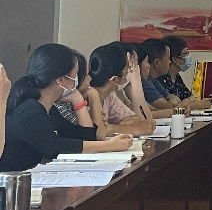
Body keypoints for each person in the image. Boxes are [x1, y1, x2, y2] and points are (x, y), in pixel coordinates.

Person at [0, 44, 133, 172]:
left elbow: (85, 137)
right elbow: (55, 147)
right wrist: (109, 146)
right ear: (61, 80)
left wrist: (78, 101)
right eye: (75, 76)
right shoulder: (29, 110)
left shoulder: (50, 110)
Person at [87, 43, 157, 137]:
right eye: (130, 69)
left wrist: (124, 124)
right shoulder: (86, 96)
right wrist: (130, 129)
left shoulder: (110, 96)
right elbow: (97, 132)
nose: (133, 71)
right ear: (114, 79)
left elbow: (144, 122)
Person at [157, 36, 212, 110]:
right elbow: (174, 106)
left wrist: (187, 101)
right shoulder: (160, 78)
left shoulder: (176, 76)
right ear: (175, 59)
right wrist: (199, 104)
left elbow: (191, 97)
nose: (188, 57)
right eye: (185, 54)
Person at [138, 39, 188, 113]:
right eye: (168, 58)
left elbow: (172, 97)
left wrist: (171, 102)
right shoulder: (144, 82)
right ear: (157, 62)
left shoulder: (153, 80)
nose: (170, 62)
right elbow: (167, 106)